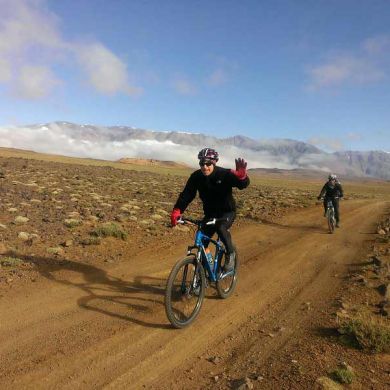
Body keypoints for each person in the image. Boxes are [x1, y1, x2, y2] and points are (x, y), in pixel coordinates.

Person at [170, 148, 250, 271]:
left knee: (220, 227)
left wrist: (242, 177)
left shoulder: (224, 174)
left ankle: (230, 254)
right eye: (202, 163)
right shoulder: (196, 177)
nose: (205, 167)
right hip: (210, 214)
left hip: (227, 212)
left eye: (208, 164)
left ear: (214, 163)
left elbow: (242, 185)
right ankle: (203, 275)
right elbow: (187, 194)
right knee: (201, 240)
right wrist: (177, 210)